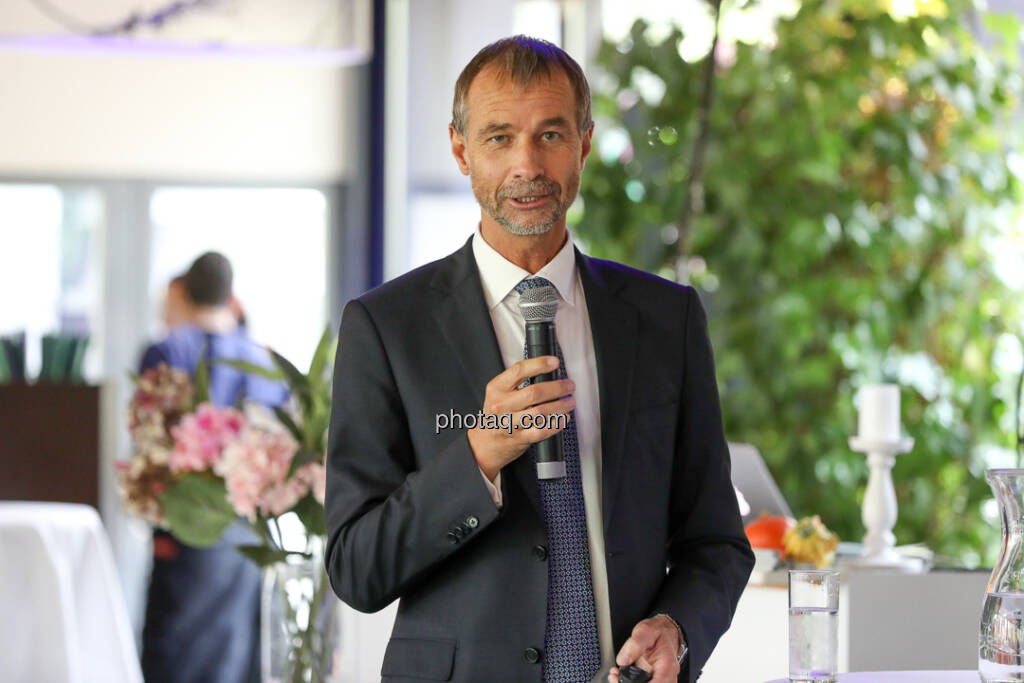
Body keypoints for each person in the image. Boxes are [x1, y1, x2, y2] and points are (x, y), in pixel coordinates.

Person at [324, 36, 753, 683]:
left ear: (584, 142)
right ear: (460, 148)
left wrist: (680, 628)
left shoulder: (668, 319)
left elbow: (715, 541)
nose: (527, 164)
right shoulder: (386, 327)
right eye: (499, 137)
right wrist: (479, 456)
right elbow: (357, 567)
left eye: (550, 134)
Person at [139, 252, 288, 683]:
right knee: (236, 650)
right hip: (248, 530)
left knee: (175, 648)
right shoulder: (263, 360)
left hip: (186, 523)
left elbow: (149, 437)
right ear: (230, 295)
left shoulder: (167, 350)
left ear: (183, 291)